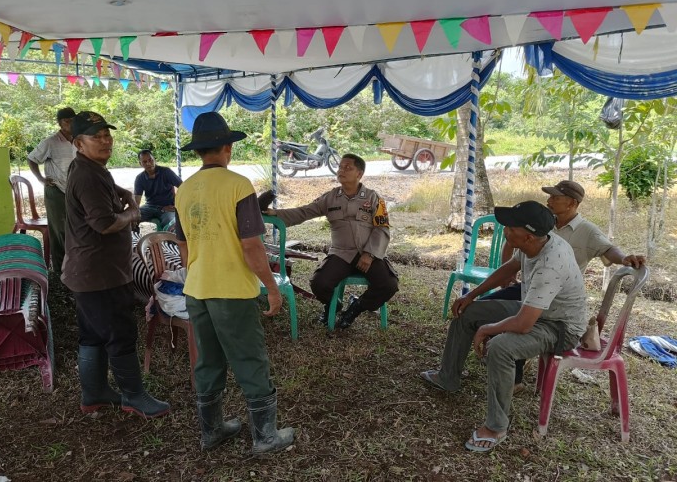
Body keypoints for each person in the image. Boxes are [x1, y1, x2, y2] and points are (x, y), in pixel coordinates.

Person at [420, 201, 587, 452]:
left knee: (501, 347)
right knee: (469, 312)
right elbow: (509, 267)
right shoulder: (535, 243)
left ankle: (496, 426)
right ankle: (448, 377)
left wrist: (487, 330)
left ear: (528, 236)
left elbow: (523, 323)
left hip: (559, 327)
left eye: (510, 226)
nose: (505, 229)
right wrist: (471, 295)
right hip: (535, 310)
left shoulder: (551, 262)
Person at [173, 111, 294, 454]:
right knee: (250, 359)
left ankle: (211, 431)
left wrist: (201, 268)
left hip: (197, 289)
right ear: (227, 147)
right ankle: (265, 437)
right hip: (231, 292)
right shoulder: (238, 185)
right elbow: (251, 246)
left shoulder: (184, 191)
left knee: (208, 360)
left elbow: (182, 246)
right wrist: (271, 287)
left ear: (199, 151)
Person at [62, 111, 170, 419]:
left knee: (93, 333)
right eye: (96, 137)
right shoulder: (87, 174)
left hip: (87, 272)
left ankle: (94, 392)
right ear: (78, 143)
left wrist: (122, 194)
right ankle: (134, 396)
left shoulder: (89, 168)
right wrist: (132, 214)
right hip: (100, 275)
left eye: (107, 135)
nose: (105, 141)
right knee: (120, 333)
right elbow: (104, 223)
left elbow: (104, 199)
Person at [487, 180, 646, 386]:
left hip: (557, 300)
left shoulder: (587, 230)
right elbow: (512, 246)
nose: (549, 200)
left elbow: (608, 249)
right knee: (486, 307)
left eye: (555, 197)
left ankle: (513, 378)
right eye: (550, 196)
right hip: (530, 288)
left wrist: (624, 258)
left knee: (519, 322)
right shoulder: (543, 223)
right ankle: (499, 361)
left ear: (571, 203)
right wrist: (508, 274)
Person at [264, 153, 398, 329]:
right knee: (319, 283)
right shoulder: (330, 197)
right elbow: (304, 212)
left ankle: (357, 307)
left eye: (348, 168)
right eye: (340, 167)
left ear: (360, 174)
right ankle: (334, 305)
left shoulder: (373, 198)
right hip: (341, 253)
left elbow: (382, 227)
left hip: (368, 253)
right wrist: (276, 213)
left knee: (389, 285)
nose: (341, 170)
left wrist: (370, 254)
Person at [27, 107, 76, 276]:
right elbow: (32, 159)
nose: (70, 124)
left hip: (76, 190)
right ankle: (59, 269)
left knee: (76, 227)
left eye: (72, 120)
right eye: (66, 121)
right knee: (59, 230)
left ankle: (74, 264)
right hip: (56, 191)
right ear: (60, 124)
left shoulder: (80, 140)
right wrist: (41, 179)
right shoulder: (51, 142)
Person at [133, 149, 182, 230]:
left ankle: (166, 240)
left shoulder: (166, 172)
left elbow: (182, 187)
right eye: (144, 162)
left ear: (154, 159)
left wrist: (177, 204)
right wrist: (134, 215)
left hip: (168, 207)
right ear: (140, 164)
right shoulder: (140, 178)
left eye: (150, 160)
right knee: (134, 219)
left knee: (171, 223)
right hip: (150, 206)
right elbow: (137, 201)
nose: (148, 163)